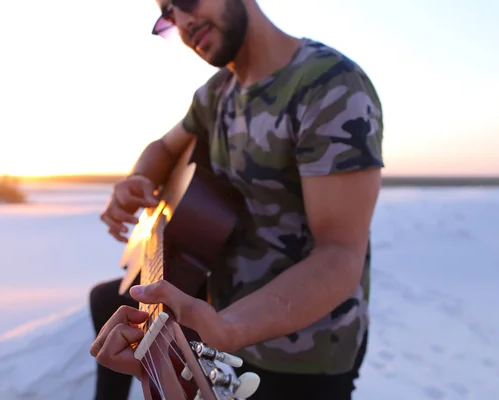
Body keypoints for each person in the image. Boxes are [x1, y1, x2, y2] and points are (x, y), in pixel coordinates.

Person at [89, 0, 384, 398]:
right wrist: (138, 178)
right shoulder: (216, 94)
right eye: (169, 14)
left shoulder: (328, 86)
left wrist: (228, 327)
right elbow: (163, 147)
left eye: (187, 1)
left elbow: (339, 256)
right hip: (222, 320)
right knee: (107, 301)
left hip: (301, 355)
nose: (183, 20)